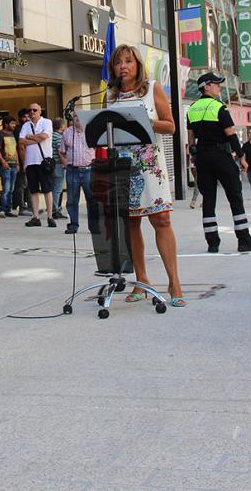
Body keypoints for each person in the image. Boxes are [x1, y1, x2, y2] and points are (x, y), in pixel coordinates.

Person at [105, 44, 184, 306]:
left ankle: (174, 282)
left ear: (138, 64)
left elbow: (170, 125)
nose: (123, 66)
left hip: (151, 165)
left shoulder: (152, 88)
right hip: (124, 166)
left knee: (161, 219)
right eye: (118, 62)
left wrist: (144, 122)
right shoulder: (110, 95)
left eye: (128, 61)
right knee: (131, 223)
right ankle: (141, 281)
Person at [185, 72, 251, 254]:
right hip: (221, 156)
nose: (220, 87)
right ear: (207, 86)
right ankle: (244, 240)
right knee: (235, 196)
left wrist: (193, 158)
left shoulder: (192, 109)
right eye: (217, 84)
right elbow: (231, 134)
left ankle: (212, 243)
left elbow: (190, 140)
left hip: (202, 157)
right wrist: (241, 156)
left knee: (208, 199)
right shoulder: (219, 107)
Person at [18, 102, 56, 227]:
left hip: (43, 161)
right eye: (30, 110)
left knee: (47, 189)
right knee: (33, 190)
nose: (32, 112)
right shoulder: (26, 125)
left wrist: (30, 137)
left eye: (35, 110)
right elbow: (21, 141)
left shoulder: (47, 122)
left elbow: (45, 136)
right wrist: (36, 138)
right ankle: (35, 216)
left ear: (40, 111)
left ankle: (50, 216)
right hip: (30, 161)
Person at [60, 113, 97, 235]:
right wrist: (66, 163)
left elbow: (96, 148)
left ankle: (94, 226)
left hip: (88, 170)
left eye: (80, 117)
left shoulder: (91, 131)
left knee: (92, 199)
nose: (78, 119)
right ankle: (73, 225)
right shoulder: (67, 133)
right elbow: (62, 151)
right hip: (72, 170)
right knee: (72, 200)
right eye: (75, 117)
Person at [0, 115, 19, 217]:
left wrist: (17, 163)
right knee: (6, 188)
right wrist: (3, 162)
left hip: (13, 164)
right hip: (5, 165)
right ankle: (2, 210)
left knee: (11, 189)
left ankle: (9, 209)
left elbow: (15, 149)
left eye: (14, 124)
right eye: (12, 123)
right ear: (6, 124)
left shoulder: (12, 135)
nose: (14, 125)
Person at [51, 117, 67, 219]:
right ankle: (55, 210)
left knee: (52, 188)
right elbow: (60, 151)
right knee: (57, 189)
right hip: (57, 164)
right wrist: (65, 163)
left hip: (50, 165)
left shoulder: (50, 135)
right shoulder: (59, 137)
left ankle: (53, 208)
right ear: (61, 126)